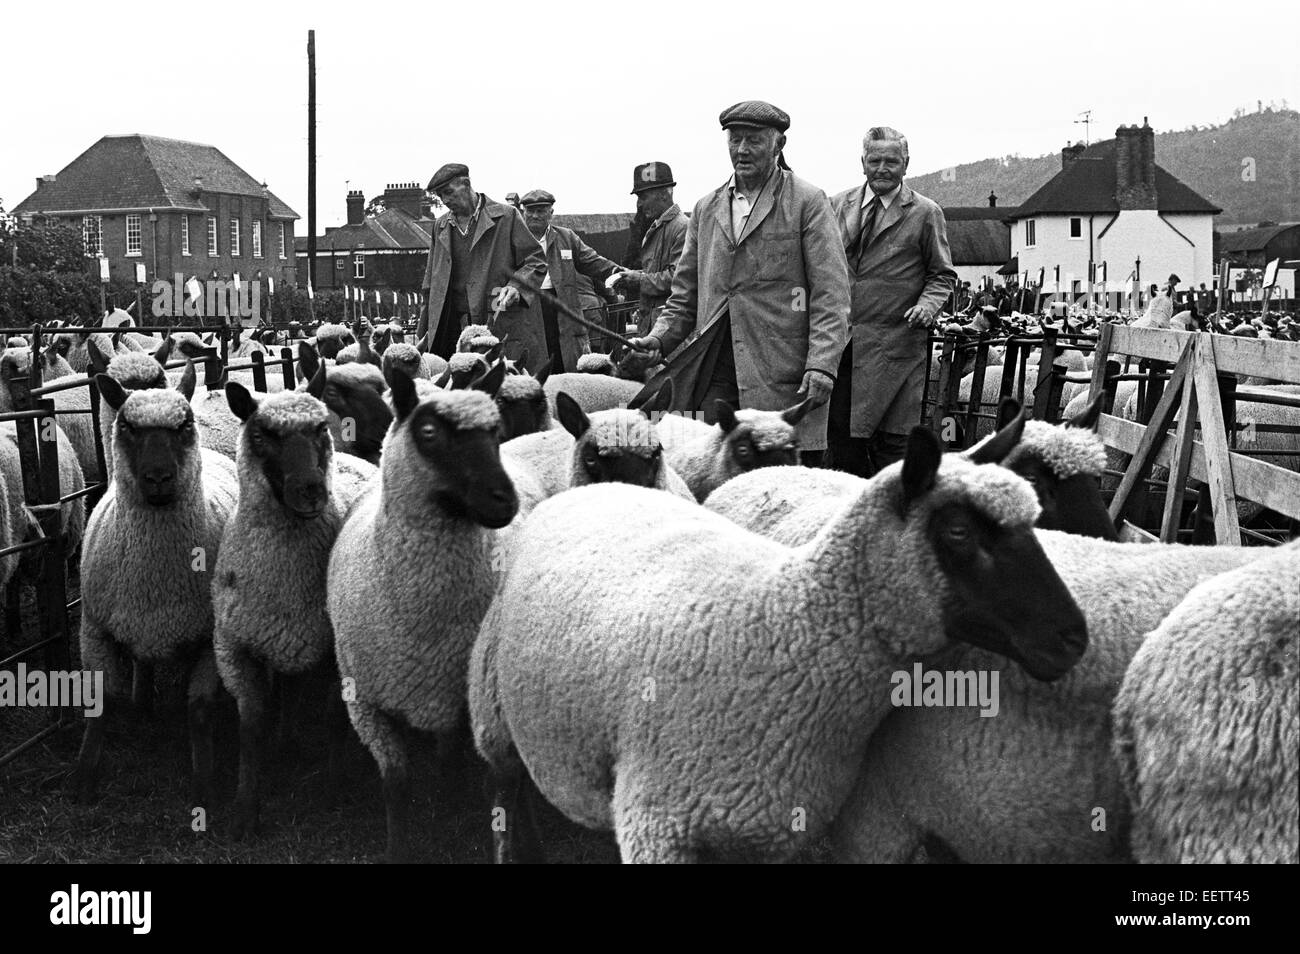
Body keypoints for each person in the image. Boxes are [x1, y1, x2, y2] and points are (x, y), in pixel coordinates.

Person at [625, 101, 849, 465]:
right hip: (715, 365)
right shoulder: (707, 208)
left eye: (754, 140)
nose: (742, 150)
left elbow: (831, 294)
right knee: (714, 466)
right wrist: (657, 338)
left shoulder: (807, 202)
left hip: (783, 370)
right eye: (735, 140)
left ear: (779, 145)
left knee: (781, 477)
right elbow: (684, 296)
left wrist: (822, 364)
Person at [827, 126, 956, 476]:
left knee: (893, 448)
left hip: (895, 348)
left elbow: (942, 274)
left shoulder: (925, 213)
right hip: (842, 345)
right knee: (841, 442)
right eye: (875, 160)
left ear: (906, 164)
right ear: (863, 162)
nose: (883, 168)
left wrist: (927, 307)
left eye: (892, 161)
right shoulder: (837, 206)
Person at [415, 164, 547, 359]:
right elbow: (430, 285)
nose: (445, 200)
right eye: (441, 195)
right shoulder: (440, 226)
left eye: (449, 192)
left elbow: (535, 261)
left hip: (496, 320)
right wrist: (422, 334)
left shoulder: (506, 216)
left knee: (499, 382)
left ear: (466, 184)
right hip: (451, 328)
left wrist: (516, 287)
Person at [518, 189, 624, 374]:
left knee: (565, 364)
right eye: (530, 210)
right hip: (529, 307)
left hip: (562, 309)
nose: (535, 215)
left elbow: (593, 261)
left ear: (551, 213)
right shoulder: (514, 239)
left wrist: (620, 273)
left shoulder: (566, 238)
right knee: (534, 368)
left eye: (541, 210)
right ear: (523, 212)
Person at [610, 162, 689, 336]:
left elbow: (678, 278)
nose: (639, 204)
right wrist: (630, 274)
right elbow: (655, 272)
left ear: (663, 194)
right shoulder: (657, 227)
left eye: (643, 197)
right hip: (653, 326)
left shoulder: (682, 227)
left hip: (672, 331)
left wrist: (638, 280)